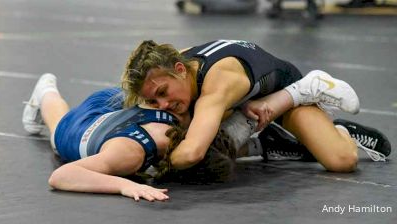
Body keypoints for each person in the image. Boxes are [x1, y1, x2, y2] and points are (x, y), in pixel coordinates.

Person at [121, 39, 391, 172]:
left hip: (281, 89)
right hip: (243, 97)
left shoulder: (216, 85)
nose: (164, 104)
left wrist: (149, 159)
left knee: (342, 161)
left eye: (163, 93)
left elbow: (191, 153)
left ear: (180, 70)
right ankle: (268, 142)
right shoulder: (172, 65)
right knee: (189, 131)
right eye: (153, 100)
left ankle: (309, 93)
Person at [21, 73, 206, 202]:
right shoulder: (130, 155)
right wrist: (124, 186)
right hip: (78, 127)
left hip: (114, 99)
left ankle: (46, 91)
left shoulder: (184, 117)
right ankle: (45, 91)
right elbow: (60, 176)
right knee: (57, 126)